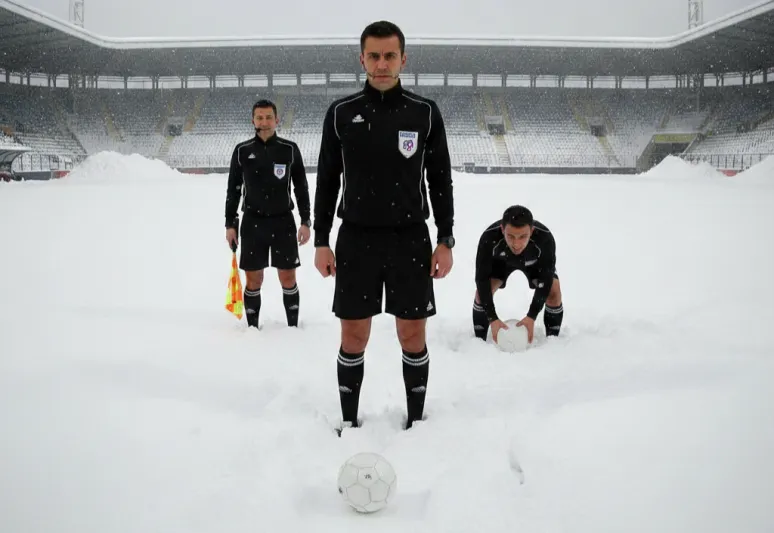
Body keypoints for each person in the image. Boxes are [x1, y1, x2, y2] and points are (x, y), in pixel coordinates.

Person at [313, 20, 455, 431]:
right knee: (354, 336)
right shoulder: (341, 113)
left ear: (403, 59)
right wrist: (322, 240)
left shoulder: (423, 112)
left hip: (409, 238)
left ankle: (416, 420)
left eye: (389, 55)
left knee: (412, 335)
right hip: (356, 239)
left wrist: (444, 238)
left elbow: (439, 179)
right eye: (373, 56)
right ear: (362, 59)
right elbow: (327, 178)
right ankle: (349, 421)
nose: (381, 63)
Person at [224, 99, 311, 329]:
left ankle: (293, 328)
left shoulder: (289, 149)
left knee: (288, 277)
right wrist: (230, 224)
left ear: (276, 119)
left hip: (283, 222)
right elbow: (233, 189)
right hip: (253, 223)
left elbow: (301, 187)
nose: (264, 121)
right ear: (253, 120)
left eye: (268, 117)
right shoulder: (242, 151)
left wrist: (305, 221)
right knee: (254, 280)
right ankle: (253, 329)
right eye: (260, 117)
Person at [472, 205, 563, 345]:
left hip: (533, 265)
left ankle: (553, 342)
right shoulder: (489, 237)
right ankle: (479, 343)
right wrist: (492, 318)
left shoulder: (545, 238)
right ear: (502, 229)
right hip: (500, 264)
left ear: (531, 231)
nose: (516, 243)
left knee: (554, 292)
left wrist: (531, 316)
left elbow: (545, 278)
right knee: (481, 294)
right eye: (510, 236)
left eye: (523, 236)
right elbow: (481, 279)